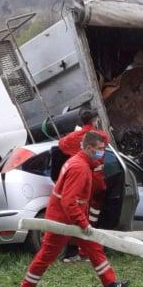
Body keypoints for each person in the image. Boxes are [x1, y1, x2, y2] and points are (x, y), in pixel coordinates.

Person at [16, 130, 129, 287]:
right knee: (47, 255)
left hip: (66, 217)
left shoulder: (78, 162)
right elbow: (69, 201)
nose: (102, 152)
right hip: (64, 220)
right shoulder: (80, 168)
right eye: (99, 148)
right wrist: (83, 223)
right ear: (89, 148)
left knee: (93, 246)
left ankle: (110, 284)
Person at [57, 110, 108, 263]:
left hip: (77, 177)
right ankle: (85, 250)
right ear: (94, 120)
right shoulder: (100, 136)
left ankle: (73, 252)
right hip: (95, 179)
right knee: (90, 215)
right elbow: (106, 142)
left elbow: (61, 144)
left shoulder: (73, 137)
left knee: (79, 213)